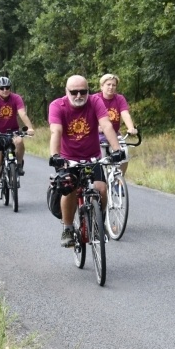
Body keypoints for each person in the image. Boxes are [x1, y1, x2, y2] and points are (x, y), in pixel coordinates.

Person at [48, 75, 124, 248]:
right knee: (69, 190)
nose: (79, 95)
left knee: (102, 189)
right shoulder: (57, 105)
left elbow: (106, 125)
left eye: (83, 91)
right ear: (66, 91)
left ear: (88, 91)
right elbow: (56, 131)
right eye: (74, 92)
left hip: (92, 157)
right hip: (68, 159)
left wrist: (117, 149)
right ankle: (68, 229)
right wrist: (55, 156)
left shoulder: (95, 101)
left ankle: (98, 222)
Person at [0, 77, 36, 200]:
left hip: (12, 131)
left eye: (7, 87)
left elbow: (22, 113)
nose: (5, 90)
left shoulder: (16, 98)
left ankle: (19, 165)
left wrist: (30, 127)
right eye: (2, 88)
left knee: (19, 141)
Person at [94, 73, 138, 175]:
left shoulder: (119, 98)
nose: (111, 87)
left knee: (124, 155)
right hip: (97, 136)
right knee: (99, 161)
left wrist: (131, 128)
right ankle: (101, 179)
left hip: (114, 135)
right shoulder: (95, 99)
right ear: (102, 86)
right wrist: (96, 128)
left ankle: (119, 179)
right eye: (108, 84)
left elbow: (125, 114)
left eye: (113, 85)